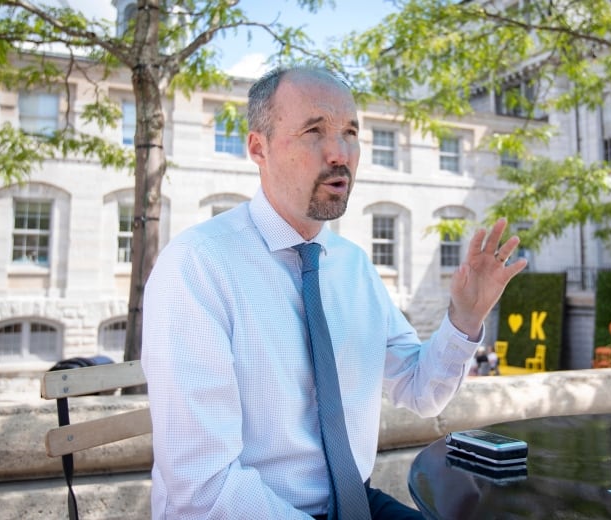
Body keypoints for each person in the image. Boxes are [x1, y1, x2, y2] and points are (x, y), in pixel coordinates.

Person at [142, 65, 527, 519]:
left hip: (354, 503)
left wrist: (465, 318)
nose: (339, 152)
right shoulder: (197, 266)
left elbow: (421, 392)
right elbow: (203, 486)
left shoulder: (353, 266)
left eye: (350, 132)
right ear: (257, 148)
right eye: (314, 131)